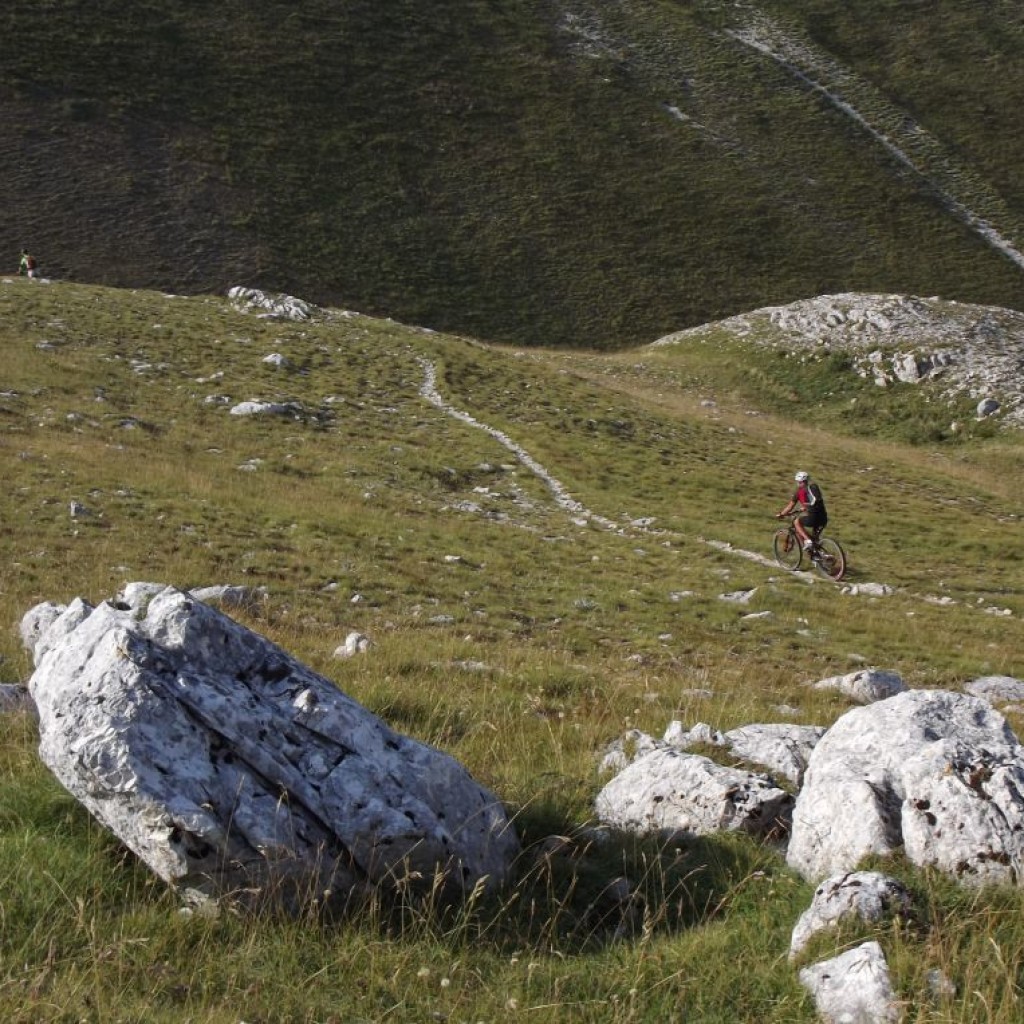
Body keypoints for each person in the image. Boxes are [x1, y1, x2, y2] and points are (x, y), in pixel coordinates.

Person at [777, 470, 827, 551]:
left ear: (800, 481)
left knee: (796, 522)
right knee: (815, 543)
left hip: (813, 519)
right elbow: (813, 503)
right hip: (823, 518)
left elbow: (790, 507)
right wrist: (803, 508)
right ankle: (822, 557)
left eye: (798, 482)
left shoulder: (799, 492)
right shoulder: (814, 487)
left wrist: (781, 514)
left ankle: (807, 541)